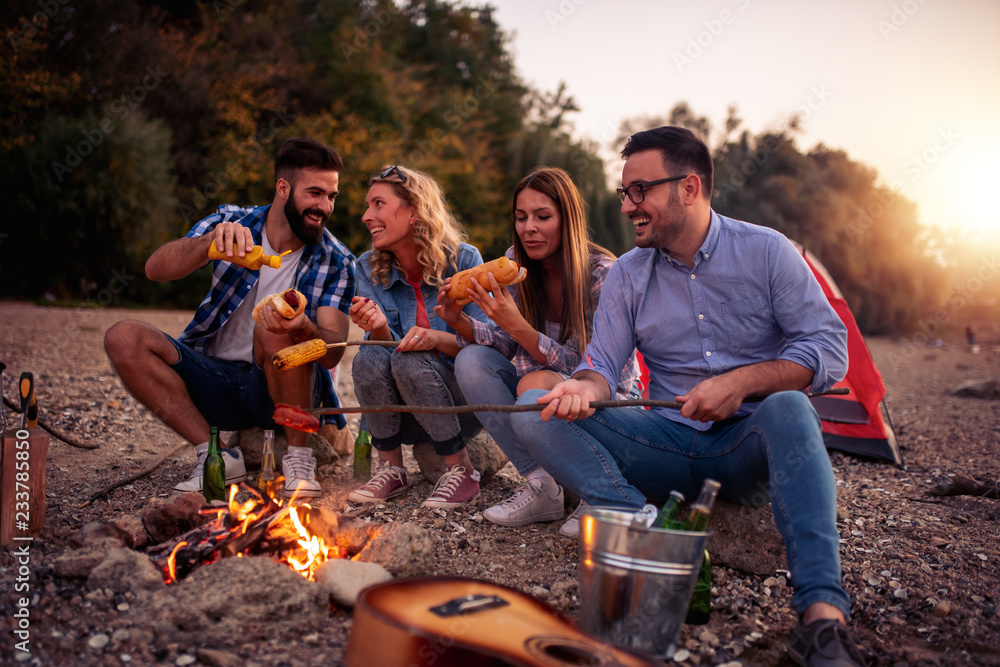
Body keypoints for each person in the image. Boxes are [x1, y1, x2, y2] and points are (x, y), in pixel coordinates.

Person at [509, 127, 868, 666]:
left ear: (690, 188)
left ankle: (822, 620)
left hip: (744, 449)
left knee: (790, 407)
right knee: (533, 410)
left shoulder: (767, 251)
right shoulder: (628, 274)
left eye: (640, 191)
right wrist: (579, 389)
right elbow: (601, 367)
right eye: (624, 192)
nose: (629, 206)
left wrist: (741, 383)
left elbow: (828, 351)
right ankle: (642, 522)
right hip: (664, 444)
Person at [104, 137, 354, 499]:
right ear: (283, 188)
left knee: (275, 329)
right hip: (213, 380)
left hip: (276, 394)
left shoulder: (336, 259)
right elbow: (155, 269)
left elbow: (332, 352)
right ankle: (216, 455)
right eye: (315, 193)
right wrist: (206, 244)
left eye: (331, 196)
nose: (325, 206)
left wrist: (301, 325)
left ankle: (299, 458)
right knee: (123, 337)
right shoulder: (230, 221)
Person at [447, 167, 640, 536]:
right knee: (472, 361)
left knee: (533, 383)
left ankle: (593, 488)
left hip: (608, 401)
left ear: (566, 220)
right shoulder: (516, 265)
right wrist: (458, 321)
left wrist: (518, 325)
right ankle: (542, 485)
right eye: (521, 218)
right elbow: (505, 343)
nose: (528, 228)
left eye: (542, 216)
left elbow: (596, 369)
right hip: (536, 399)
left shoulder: (604, 273)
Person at [347, 165, 487, 509]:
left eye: (378, 204)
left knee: (408, 356)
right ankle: (391, 468)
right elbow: (383, 359)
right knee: (369, 354)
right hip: (401, 416)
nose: (367, 216)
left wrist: (435, 340)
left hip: (459, 407)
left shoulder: (464, 261)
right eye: (368, 206)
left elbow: (491, 348)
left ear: (413, 211)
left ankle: (461, 471)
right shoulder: (366, 268)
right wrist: (378, 328)